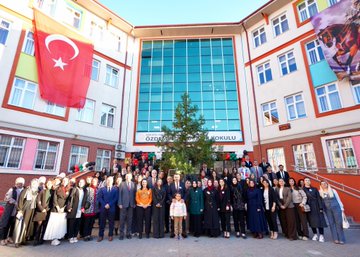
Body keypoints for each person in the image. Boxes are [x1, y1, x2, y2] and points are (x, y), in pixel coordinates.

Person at [13, 179, 39, 248]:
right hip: (25, 209)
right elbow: (21, 200)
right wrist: (20, 210)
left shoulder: (36, 191)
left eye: (36, 184)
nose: (34, 185)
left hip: (31, 210)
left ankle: (23, 239)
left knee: (27, 225)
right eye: (33, 183)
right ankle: (17, 241)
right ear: (30, 183)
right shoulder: (26, 190)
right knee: (20, 224)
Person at [43, 177, 69, 246]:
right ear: (62, 182)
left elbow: (68, 200)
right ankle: (53, 239)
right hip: (56, 209)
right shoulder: (58, 188)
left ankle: (57, 237)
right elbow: (54, 199)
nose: (65, 182)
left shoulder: (68, 189)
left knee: (59, 224)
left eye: (66, 181)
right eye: (63, 181)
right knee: (54, 224)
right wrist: (57, 207)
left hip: (63, 209)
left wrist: (64, 208)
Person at [0, 177, 24, 246]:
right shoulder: (12, 189)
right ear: (16, 183)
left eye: (22, 183)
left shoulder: (23, 190)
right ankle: (2, 239)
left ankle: (9, 237)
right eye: (19, 183)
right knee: (5, 224)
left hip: (17, 210)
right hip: (10, 209)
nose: (20, 184)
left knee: (13, 224)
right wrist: (15, 202)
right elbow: (6, 198)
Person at [303, 177, 327, 243]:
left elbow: (319, 198)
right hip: (308, 207)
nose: (307, 181)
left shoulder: (314, 189)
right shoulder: (302, 189)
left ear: (310, 182)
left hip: (316, 206)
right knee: (311, 221)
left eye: (308, 180)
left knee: (320, 221)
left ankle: (321, 235)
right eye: (306, 180)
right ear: (304, 182)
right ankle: (315, 234)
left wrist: (321, 207)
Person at [97, 176, 118, 242]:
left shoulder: (115, 189)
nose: (109, 181)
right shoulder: (102, 189)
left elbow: (116, 198)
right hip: (103, 208)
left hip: (111, 208)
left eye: (110, 180)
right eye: (108, 180)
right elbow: (99, 198)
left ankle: (110, 235)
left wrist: (109, 204)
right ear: (106, 181)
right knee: (102, 222)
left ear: (112, 181)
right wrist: (104, 205)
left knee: (111, 222)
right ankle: (100, 236)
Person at [33, 180, 53, 246]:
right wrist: (42, 209)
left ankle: (42, 239)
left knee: (45, 226)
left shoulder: (52, 192)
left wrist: (47, 209)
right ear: (46, 184)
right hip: (41, 211)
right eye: (48, 183)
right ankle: (36, 239)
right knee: (39, 225)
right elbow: (38, 201)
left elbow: (52, 202)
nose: (49, 185)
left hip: (48, 211)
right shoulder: (42, 191)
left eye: (51, 184)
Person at [66, 179, 87, 244]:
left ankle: (75, 236)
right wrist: (69, 207)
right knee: (72, 223)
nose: (81, 183)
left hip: (80, 209)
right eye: (80, 182)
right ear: (78, 183)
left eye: (82, 182)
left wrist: (83, 207)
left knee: (77, 224)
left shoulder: (84, 190)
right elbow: (70, 198)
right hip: (74, 209)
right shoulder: (75, 189)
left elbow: (84, 199)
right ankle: (70, 237)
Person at [168, 173, 186, 238]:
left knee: (182, 222)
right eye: (175, 177)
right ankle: (173, 233)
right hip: (174, 204)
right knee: (173, 222)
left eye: (177, 177)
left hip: (181, 204)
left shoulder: (183, 184)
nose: (176, 178)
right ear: (173, 178)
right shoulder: (171, 185)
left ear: (179, 178)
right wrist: (172, 199)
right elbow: (169, 193)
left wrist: (183, 199)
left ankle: (182, 233)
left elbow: (185, 193)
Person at [118, 173, 136, 240]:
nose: (128, 177)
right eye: (127, 176)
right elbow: (119, 194)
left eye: (129, 176)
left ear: (131, 177)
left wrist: (134, 203)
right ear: (125, 177)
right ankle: (121, 234)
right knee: (122, 220)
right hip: (123, 204)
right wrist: (119, 203)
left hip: (131, 204)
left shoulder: (133, 184)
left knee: (129, 220)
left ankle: (128, 233)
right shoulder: (122, 184)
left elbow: (134, 194)